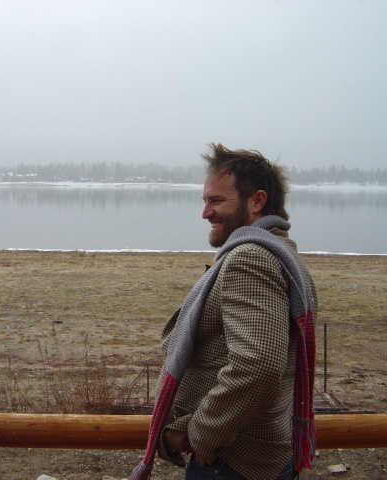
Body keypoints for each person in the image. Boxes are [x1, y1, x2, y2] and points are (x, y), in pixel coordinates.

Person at [131, 144, 317, 480]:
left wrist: (203, 436)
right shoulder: (284, 253)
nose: (205, 213)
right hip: (263, 455)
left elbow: (258, 366)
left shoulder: (251, 259)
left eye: (216, 201)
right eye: (205, 200)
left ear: (257, 201)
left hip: (232, 462)